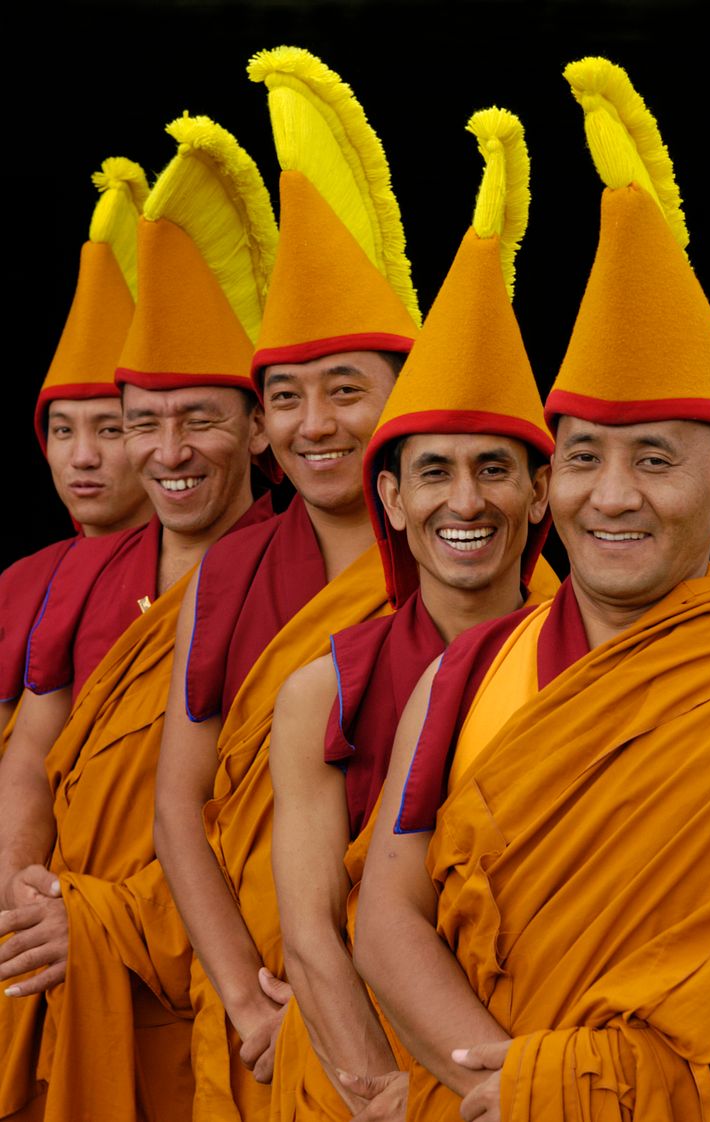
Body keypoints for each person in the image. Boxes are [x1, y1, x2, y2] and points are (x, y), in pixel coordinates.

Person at [354, 57, 710, 1122]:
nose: (609, 495)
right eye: (579, 458)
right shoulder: (470, 669)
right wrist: (515, 1089)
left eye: (655, 460)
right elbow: (385, 912)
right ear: (545, 483)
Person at [267, 105, 558, 1122]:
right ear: (389, 500)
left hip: (552, 1072)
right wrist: (383, 1095)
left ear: (542, 492)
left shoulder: (607, 663)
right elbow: (310, 928)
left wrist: (523, 1090)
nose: (464, 502)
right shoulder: (321, 689)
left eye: (493, 470)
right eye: (430, 473)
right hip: (367, 1080)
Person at [153, 46, 421, 1121]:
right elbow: (180, 802)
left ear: (406, 397)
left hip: (433, 989)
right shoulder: (233, 568)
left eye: (346, 391)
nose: (317, 425)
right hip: (270, 1005)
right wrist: (243, 998)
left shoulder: (475, 558)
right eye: (289, 397)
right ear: (260, 423)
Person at [0, 113, 278, 1121]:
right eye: (139, 423)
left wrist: (114, 920)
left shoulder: (292, 575)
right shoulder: (85, 572)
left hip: (208, 974)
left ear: (256, 427)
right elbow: (32, 757)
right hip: (62, 968)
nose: (165, 450)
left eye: (198, 418)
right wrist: (21, 904)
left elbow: (280, 823)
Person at [0, 159, 153, 739]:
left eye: (109, 430)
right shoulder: (20, 584)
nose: (81, 457)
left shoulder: (204, 571)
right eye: (63, 431)